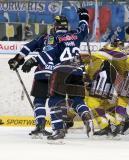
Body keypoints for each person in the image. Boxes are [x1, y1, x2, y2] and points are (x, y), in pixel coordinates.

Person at [26, 8, 93, 140]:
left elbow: (49, 53)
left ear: (55, 27)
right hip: (77, 70)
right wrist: (83, 15)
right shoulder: (76, 35)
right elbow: (84, 26)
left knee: (55, 100)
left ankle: (58, 131)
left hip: (62, 71)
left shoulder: (55, 38)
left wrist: (33, 61)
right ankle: (86, 115)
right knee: (77, 100)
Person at [7, 15, 69, 136]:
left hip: (42, 71)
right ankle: (60, 127)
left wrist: (16, 60)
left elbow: (27, 48)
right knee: (57, 101)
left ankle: (40, 126)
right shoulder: (69, 39)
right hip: (58, 73)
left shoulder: (45, 37)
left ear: (55, 26)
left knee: (39, 100)